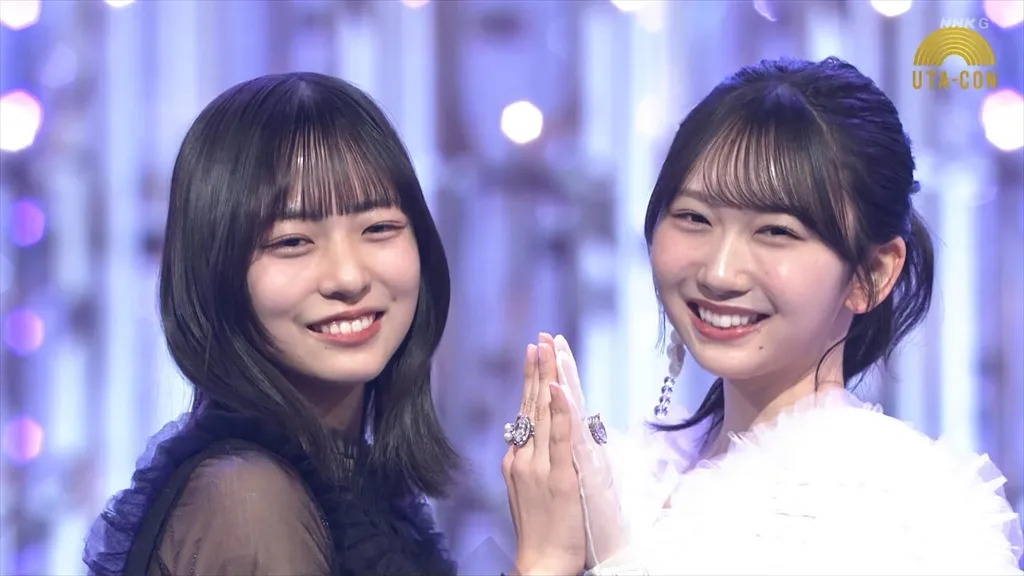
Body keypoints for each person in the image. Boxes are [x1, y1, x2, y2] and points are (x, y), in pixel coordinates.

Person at [502, 57, 1024, 575]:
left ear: (872, 273)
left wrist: (554, 563)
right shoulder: (633, 475)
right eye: (694, 218)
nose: (719, 272)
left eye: (775, 231)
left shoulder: (902, 516)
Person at [83, 72, 461, 575]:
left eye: (378, 228)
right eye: (292, 242)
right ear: (214, 272)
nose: (349, 277)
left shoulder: (355, 485)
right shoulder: (248, 504)